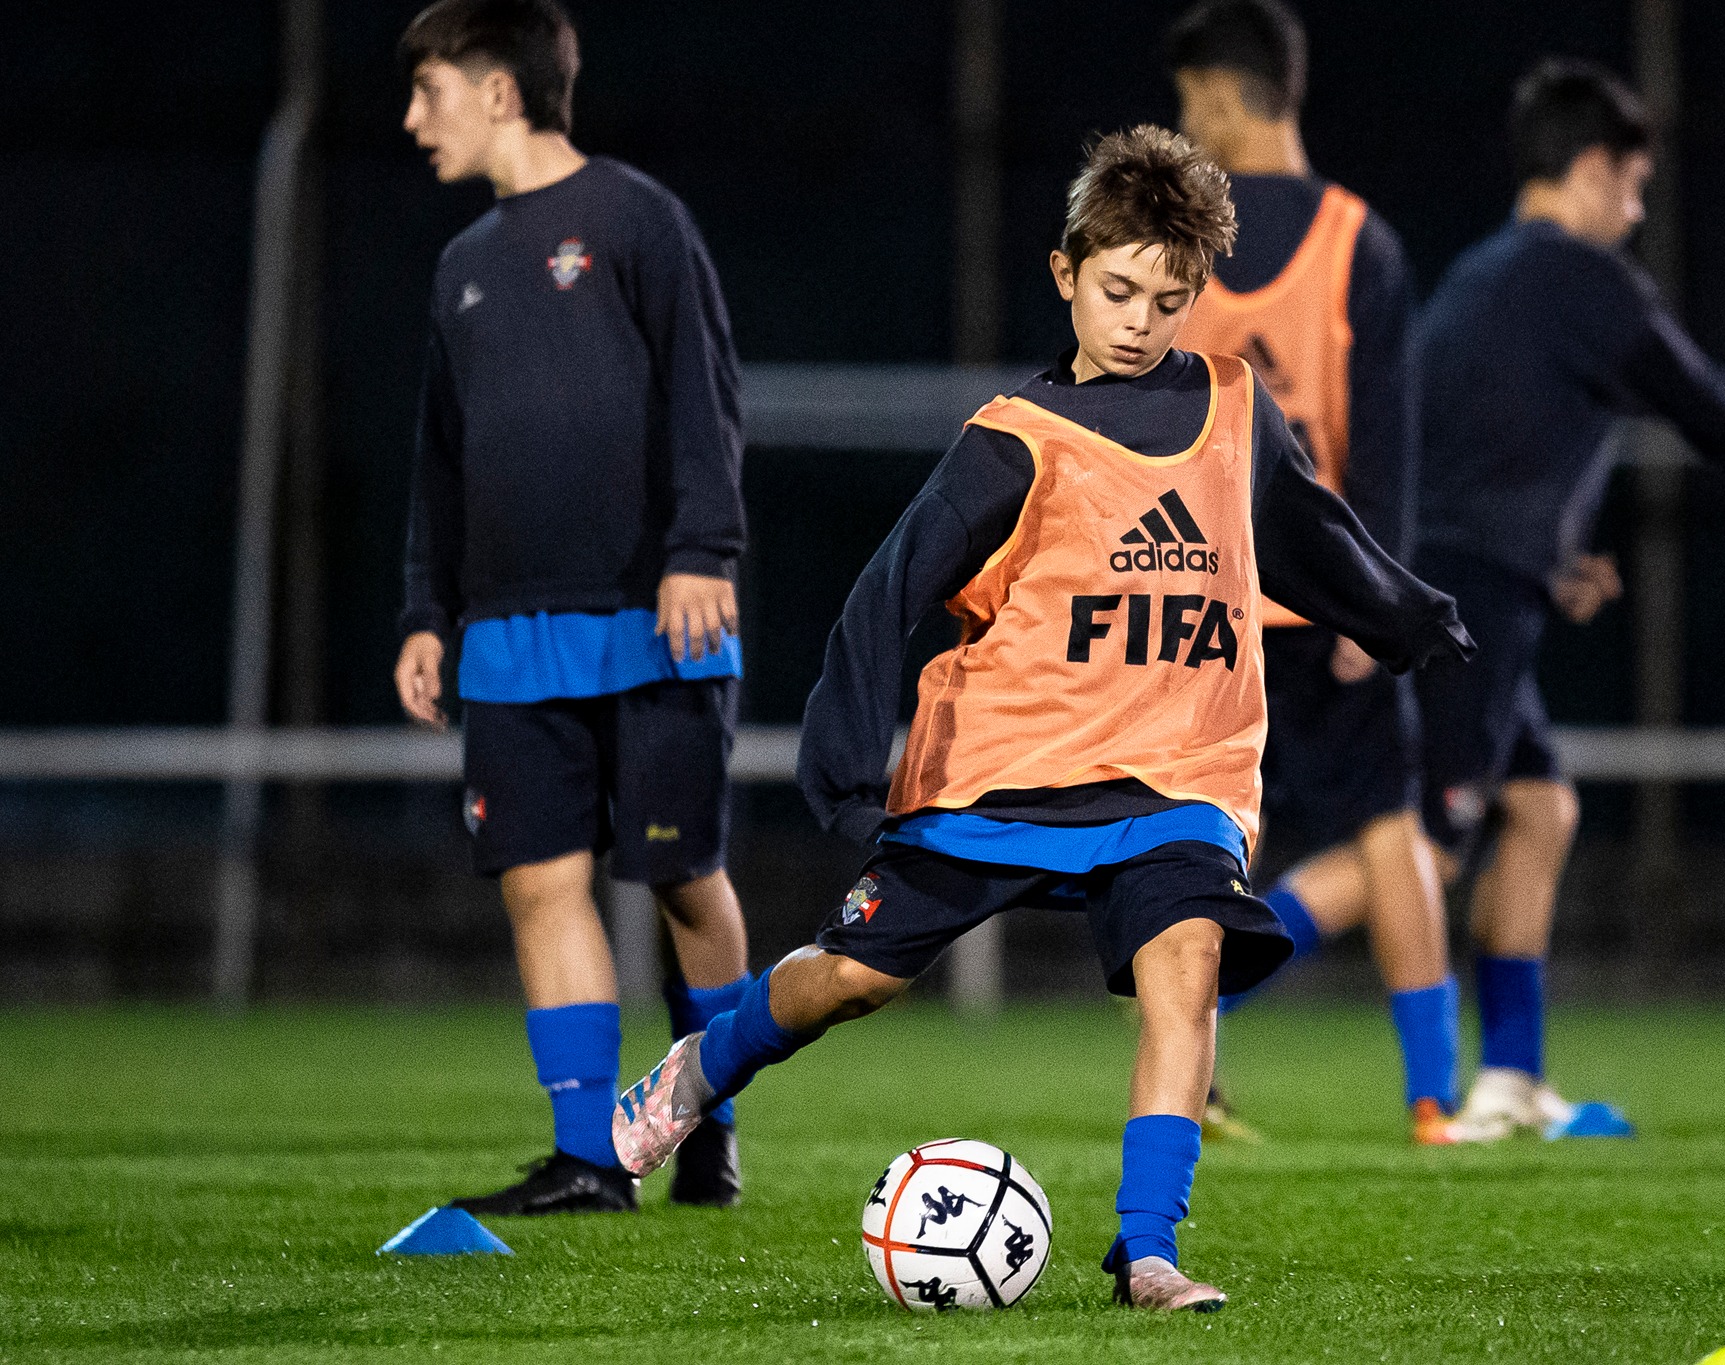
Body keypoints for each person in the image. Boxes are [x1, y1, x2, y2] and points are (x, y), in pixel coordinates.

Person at [610, 126, 1472, 1310]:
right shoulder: (1015, 438)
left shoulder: (1233, 402)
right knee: (853, 982)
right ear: (1065, 274)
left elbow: (1307, 531)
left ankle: (1147, 1251)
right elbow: (890, 589)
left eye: (1168, 300)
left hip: (1180, 773)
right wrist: (849, 757)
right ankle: (705, 1065)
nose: (1138, 320)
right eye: (1117, 290)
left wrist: (1400, 615)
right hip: (1001, 773)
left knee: (1189, 964)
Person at [1224, 57, 1725, 1140]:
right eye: (1633, 184)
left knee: (1542, 810)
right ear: (1590, 168)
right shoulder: (1583, 280)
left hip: (1470, 581)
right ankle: (1205, 989)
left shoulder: (1486, 276)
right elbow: (1704, 408)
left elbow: (1463, 445)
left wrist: (1547, 555)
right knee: (1425, 847)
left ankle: (1510, 1079)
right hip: (1466, 599)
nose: (1635, 208)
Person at [394, 0, 754, 1213]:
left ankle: (707, 1124)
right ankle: (590, 1157)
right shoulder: (461, 267)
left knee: (683, 876)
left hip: (656, 615)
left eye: (428, 90)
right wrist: (423, 612)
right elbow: (439, 462)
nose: (411, 120)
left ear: (500, 90)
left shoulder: (637, 219)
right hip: (504, 628)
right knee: (539, 881)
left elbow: (707, 395)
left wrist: (702, 547)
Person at [1167, 0, 1465, 1145]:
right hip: (1322, 591)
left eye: (1194, 106)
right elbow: (1386, 441)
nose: (1190, 128)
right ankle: (1431, 1099)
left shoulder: (1182, 252)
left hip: (1206, 603)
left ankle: (1191, 1085)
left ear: (1232, 99)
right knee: (1388, 829)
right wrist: (1370, 594)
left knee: (1195, 840)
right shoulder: (1360, 241)